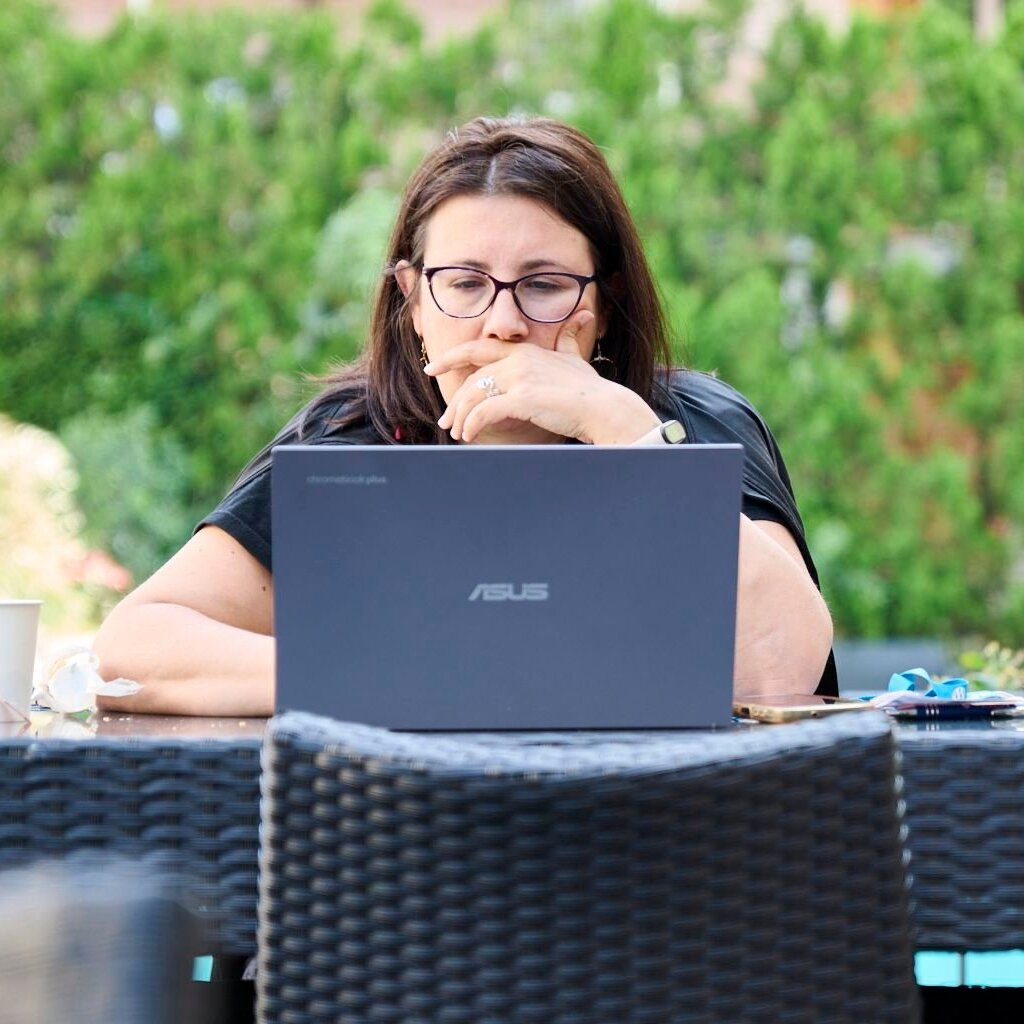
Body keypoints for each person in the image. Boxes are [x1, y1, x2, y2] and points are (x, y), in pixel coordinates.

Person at [93, 116, 835, 717]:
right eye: (466, 284)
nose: (504, 322)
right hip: (408, 854)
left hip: (680, 841)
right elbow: (134, 647)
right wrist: (398, 676)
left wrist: (624, 429)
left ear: (603, 306)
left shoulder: (694, 424)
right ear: (413, 303)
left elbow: (783, 672)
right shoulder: (353, 440)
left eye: (544, 286)